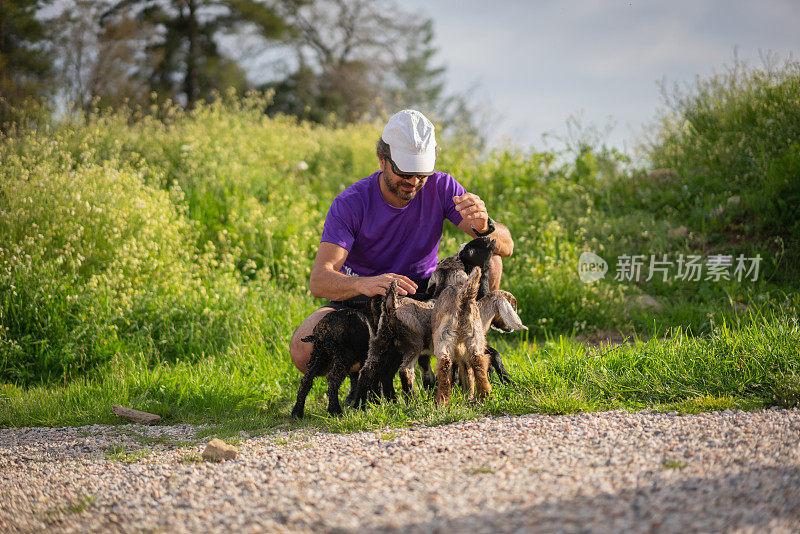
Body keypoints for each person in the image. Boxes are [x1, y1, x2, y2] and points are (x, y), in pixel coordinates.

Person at [289, 109, 514, 373]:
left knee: (492, 259)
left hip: (426, 296)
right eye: (405, 172)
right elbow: (319, 281)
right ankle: (374, 366)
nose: (414, 182)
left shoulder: (440, 186)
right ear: (382, 160)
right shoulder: (351, 203)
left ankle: (466, 354)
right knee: (304, 350)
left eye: (421, 174)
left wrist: (485, 226)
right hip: (367, 301)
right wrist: (367, 283)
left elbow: (506, 247)